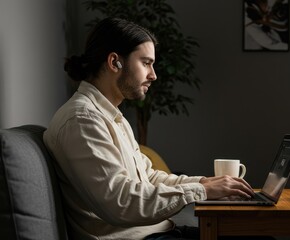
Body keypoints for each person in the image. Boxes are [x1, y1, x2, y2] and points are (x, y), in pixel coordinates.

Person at [43, 17, 256, 240]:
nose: (153, 75)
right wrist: (201, 192)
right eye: (146, 63)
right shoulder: (83, 120)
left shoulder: (110, 116)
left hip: (157, 232)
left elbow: (149, 178)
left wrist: (204, 183)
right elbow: (121, 201)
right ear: (115, 62)